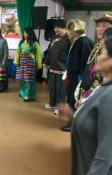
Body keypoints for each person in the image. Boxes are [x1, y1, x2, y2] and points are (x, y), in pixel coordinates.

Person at [58, 37, 112, 175]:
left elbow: (105, 158)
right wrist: (74, 117)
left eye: (102, 53)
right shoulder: (104, 86)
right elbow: (97, 124)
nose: (97, 58)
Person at [61, 19, 94, 132]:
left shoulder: (84, 42)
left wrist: (81, 80)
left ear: (76, 30)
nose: (67, 32)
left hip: (78, 77)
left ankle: (73, 123)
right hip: (73, 76)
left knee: (74, 99)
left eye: (69, 30)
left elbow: (87, 63)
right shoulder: (78, 40)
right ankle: (71, 121)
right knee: (70, 98)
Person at [78, 13, 112, 101]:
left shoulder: (109, 48)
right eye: (98, 26)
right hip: (87, 88)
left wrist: (89, 95)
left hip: (98, 94)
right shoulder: (98, 44)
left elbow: (102, 75)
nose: (100, 29)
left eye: (104, 26)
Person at [44, 19, 71, 110]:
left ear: (64, 28)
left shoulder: (68, 38)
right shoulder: (54, 37)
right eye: (55, 27)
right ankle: (52, 103)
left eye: (58, 27)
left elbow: (70, 53)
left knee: (61, 89)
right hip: (52, 67)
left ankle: (60, 107)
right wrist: (46, 61)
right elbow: (49, 51)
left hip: (62, 68)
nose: (56, 29)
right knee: (52, 87)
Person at [14, 27, 42, 101]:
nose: (24, 34)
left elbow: (38, 54)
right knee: (22, 79)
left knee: (29, 80)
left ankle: (30, 95)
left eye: (26, 33)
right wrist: (16, 61)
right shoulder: (22, 43)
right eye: (24, 33)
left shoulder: (35, 43)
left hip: (30, 64)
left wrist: (39, 65)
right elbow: (17, 53)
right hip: (22, 63)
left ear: (30, 33)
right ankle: (22, 92)